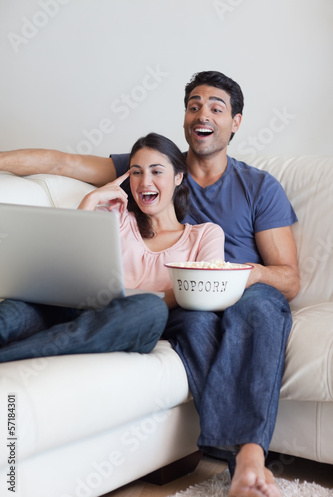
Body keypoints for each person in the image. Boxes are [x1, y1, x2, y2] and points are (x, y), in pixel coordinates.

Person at [0, 71, 299, 497]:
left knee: (250, 307)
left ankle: (248, 460)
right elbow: (61, 164)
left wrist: (235, 274)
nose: (203, 114)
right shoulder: (150, 166)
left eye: (217, 107)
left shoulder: (257, 188)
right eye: (194, 105)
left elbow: (288, 277)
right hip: (136, 301)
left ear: (236, 122)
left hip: (226, 288)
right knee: (24, 306)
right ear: (183, 119)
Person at [0, 132, 225, 363]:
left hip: (130, 320)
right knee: (14, 312)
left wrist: (132, 298)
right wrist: (91, 199)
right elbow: (64, 260)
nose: (145, 181)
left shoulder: (205, 234)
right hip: (76, 308)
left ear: (178, 177)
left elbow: (200, 291)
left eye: (156, 171)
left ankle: (10, 355)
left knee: (150, 308)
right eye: (136, 172)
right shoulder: (115, 216)